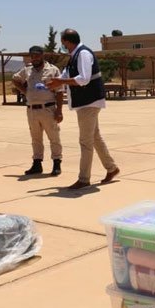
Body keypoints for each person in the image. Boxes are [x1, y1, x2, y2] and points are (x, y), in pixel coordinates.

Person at [46, 29, 119, 189]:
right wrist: (56, 81)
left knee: (85, 142)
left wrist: (60, 82)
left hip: (89, 101)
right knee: (95, 137)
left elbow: (84, 79)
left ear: (67, 41)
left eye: (63, 43)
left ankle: (84, 179)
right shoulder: (74, 56)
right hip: (85, 102)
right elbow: (66, 75)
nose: (63, 46)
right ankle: (111, 168)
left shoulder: (83, 54)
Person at [12, 45, 64, 176]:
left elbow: (59, 91)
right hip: (32, 110)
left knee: (54, 137)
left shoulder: (52, 70)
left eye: (37, 55)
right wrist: (25, 91)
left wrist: (59, 111)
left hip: (48, 109)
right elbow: (15, 79)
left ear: (42, 55)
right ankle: (37, 164)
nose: (34, 58)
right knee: (35, 138)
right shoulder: (27, 70)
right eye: (32, 56)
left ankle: (56, 163)